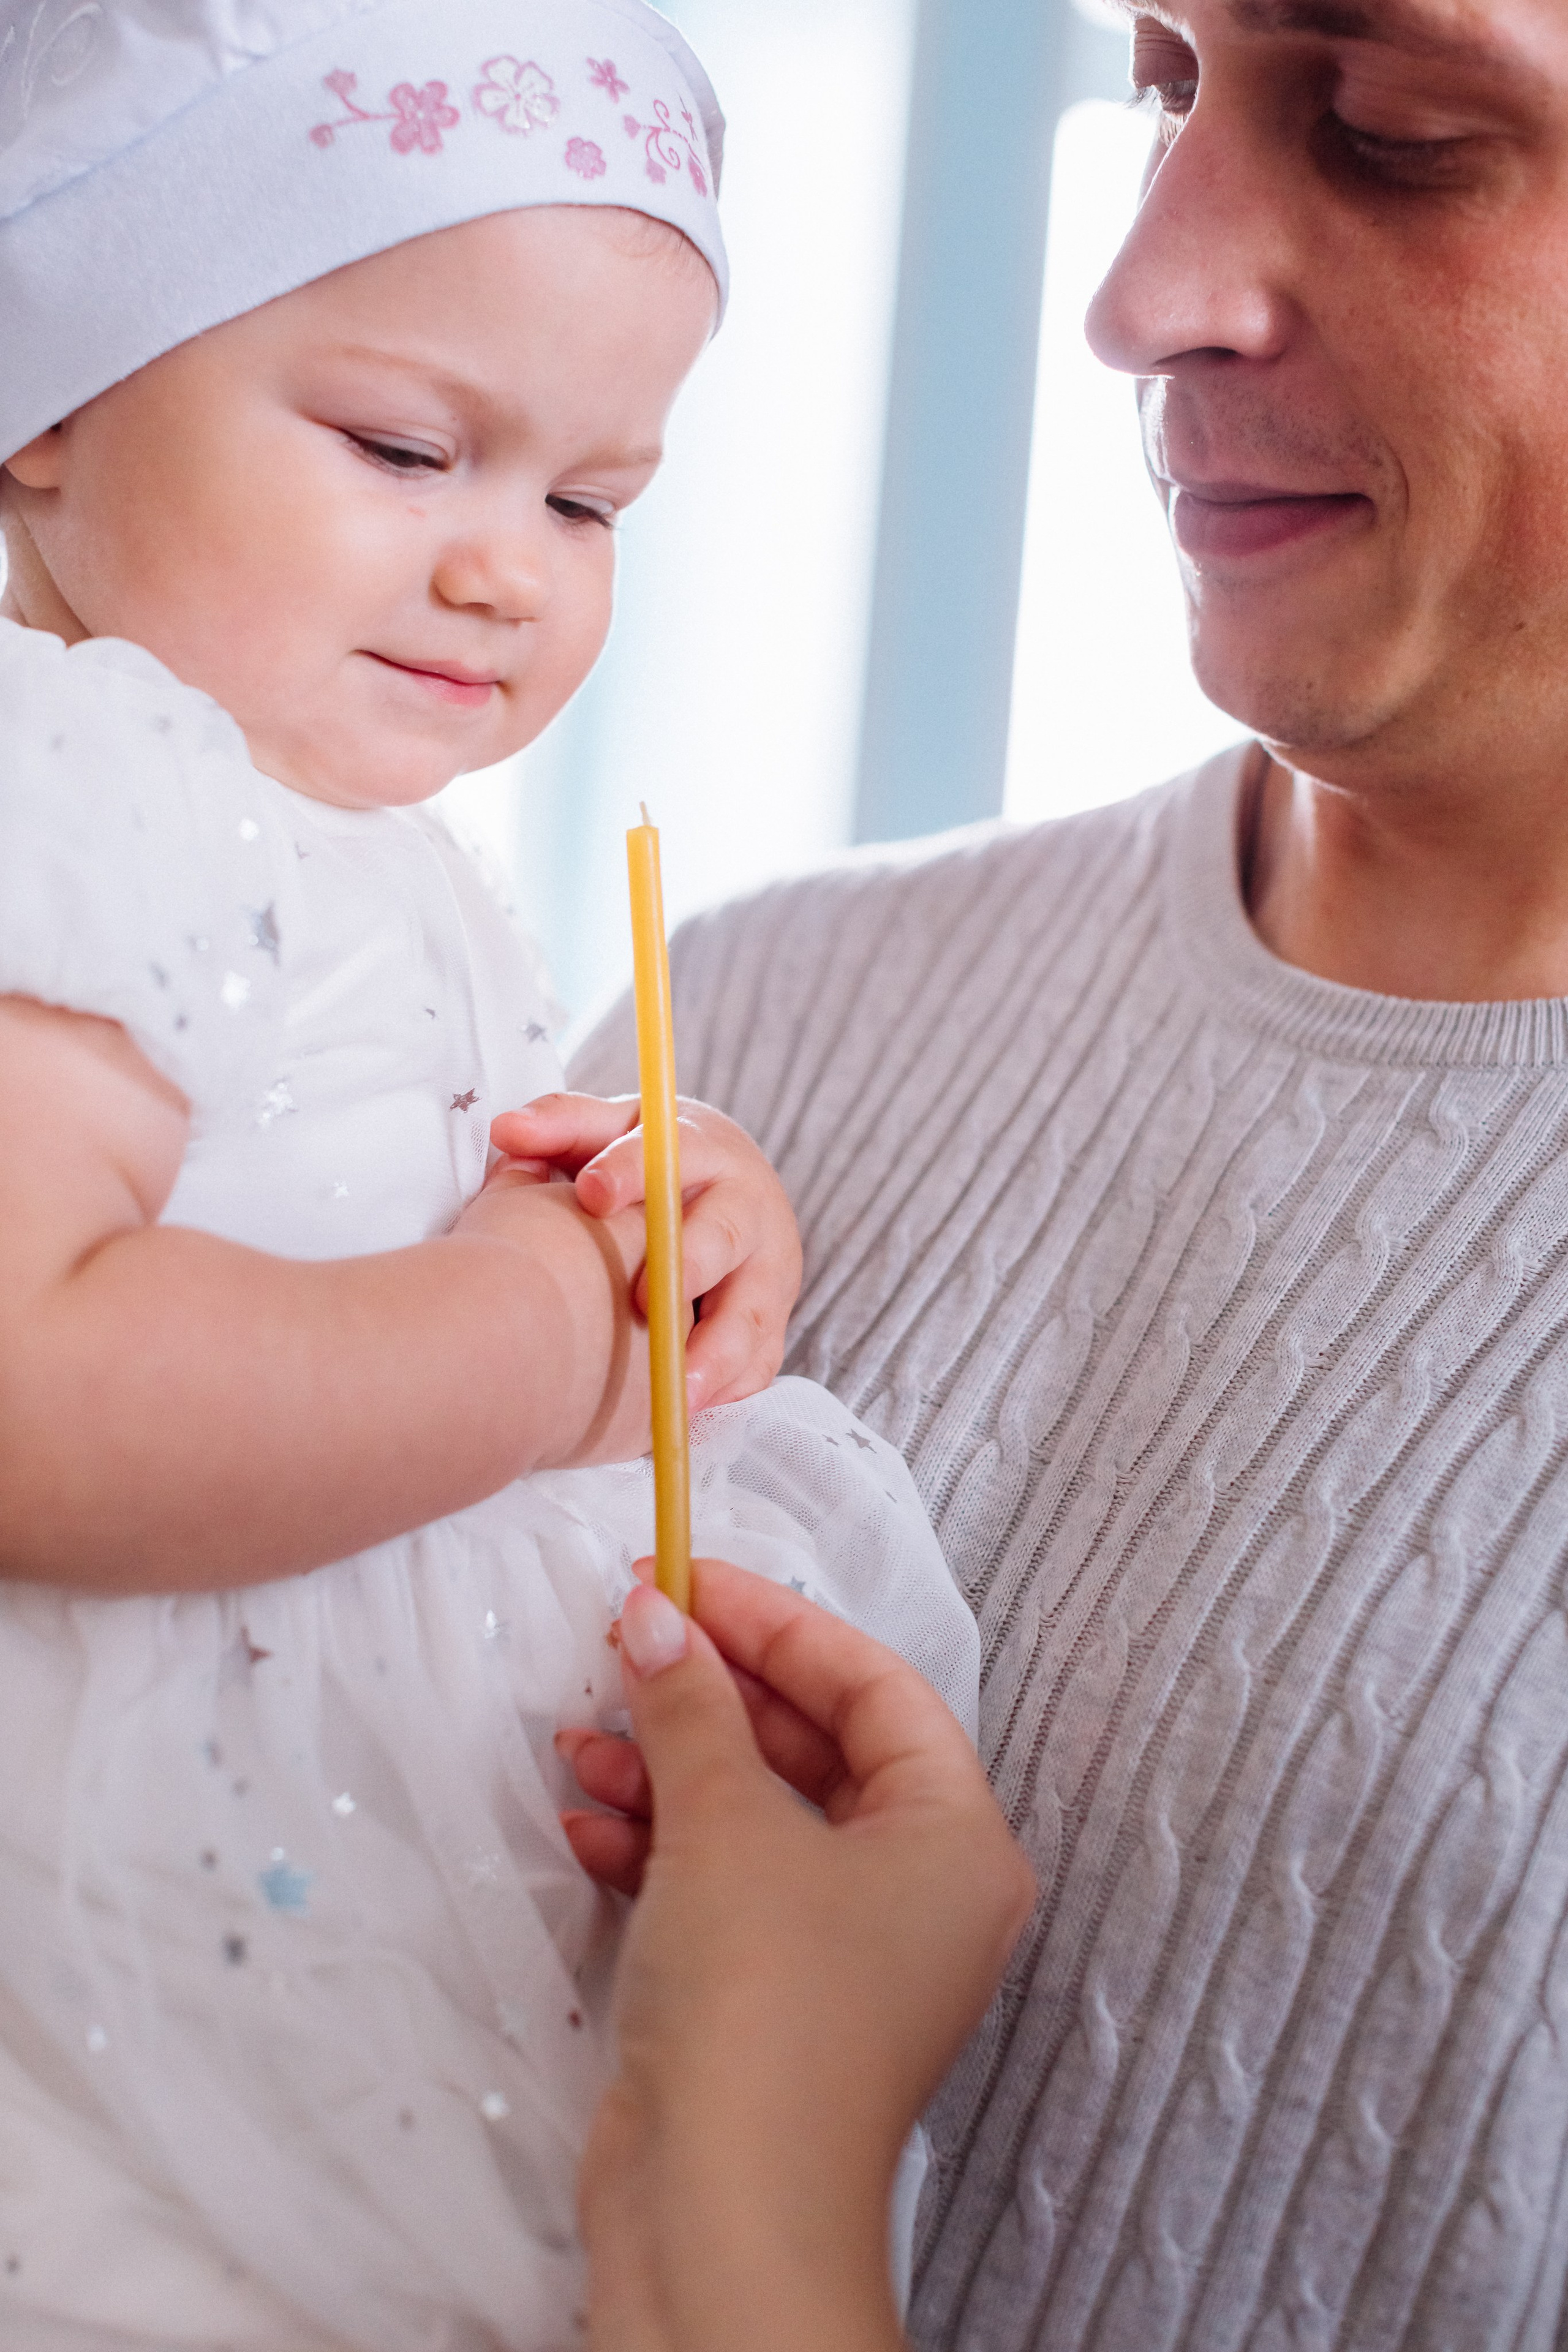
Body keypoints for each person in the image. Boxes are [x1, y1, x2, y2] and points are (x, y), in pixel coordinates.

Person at [569, 0, 1568, 2341]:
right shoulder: (738, 1038)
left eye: (1404, 131)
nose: (1136, 292)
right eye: (1162, 81)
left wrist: (745, 2222)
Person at [0, 5, 980, 2345]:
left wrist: (639, 1185)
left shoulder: (317, 825)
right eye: (409, 446)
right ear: (47, 391)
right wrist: (559, 1322)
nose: (508, 576)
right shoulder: (79, 777)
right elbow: (37, 1386)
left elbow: (341, 1184)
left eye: (588, 503)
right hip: (144, 1942)